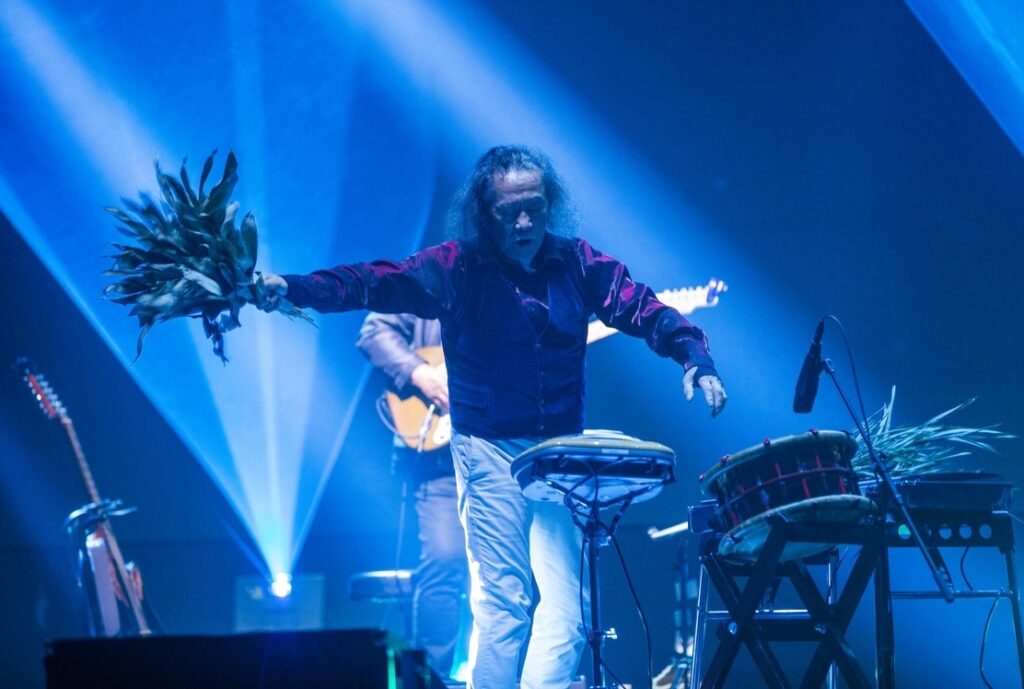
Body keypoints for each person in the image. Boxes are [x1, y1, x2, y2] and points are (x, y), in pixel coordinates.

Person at [261, 145, 726, 689]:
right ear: (486, 212)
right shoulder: (456, 267)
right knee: (505, 605)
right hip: (488, 450)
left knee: (571, 615)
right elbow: (371, 280)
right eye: (510, 212)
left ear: (549, 204)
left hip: (558, 455)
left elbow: (640, 305)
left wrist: (694, 355)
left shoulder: (577, 263)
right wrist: (292, 287)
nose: (524, 222)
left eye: (534, 207)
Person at [356, 312, 469, 678]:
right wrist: (421, 373)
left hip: (504, 450)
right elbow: (374, 330)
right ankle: (432, 680)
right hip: (441, 463)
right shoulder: (435, 283)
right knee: (445, 559)